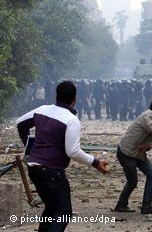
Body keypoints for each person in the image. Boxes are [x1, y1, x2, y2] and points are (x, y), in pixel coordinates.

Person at [16, 81, 108, 232]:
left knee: (51, 209)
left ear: (56, 95)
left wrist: (29, 146)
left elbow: (20, 123)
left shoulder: (42, 109)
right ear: (75, 98)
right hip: (52, 171)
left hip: (34, 168)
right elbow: (73, 151)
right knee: (63, 213)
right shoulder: (71, 120)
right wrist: (95, 162)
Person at [114, 98, 152, 214]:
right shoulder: (147, 116)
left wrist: (147, 146)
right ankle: (121, 205)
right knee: (133, 181)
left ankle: (146, 206)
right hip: (126, 153)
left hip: (138, 154)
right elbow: (151, 128)